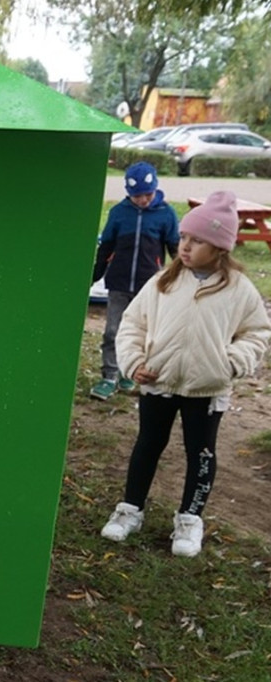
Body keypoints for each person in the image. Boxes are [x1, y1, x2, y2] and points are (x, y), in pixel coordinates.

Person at [100, 191, 271, 558]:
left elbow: (257, 332)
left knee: (202, 453)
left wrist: (230, 363)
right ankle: (130, 509)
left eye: (197, 240)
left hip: (206, 390)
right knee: (148, 445)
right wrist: (132, 362)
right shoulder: (163, 282)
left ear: (221, 247)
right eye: (184, 238)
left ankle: (190, 518)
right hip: (158, 383)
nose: (186, 246)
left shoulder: (239, 290)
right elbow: (131, 324)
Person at [90, 161, 179, 401]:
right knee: (112, 331)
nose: (143, 200)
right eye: (138, 196)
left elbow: (176, 250)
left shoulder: (166, 214)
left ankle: (130, 371)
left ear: (156, 189)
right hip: (119, 282)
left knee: (143, 333)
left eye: (148, 194)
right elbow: (106, 246)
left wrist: (180, 279)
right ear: (129, 193)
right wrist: (95, 274)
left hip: (149, 286)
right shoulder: (119, 213)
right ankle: (109, 375)